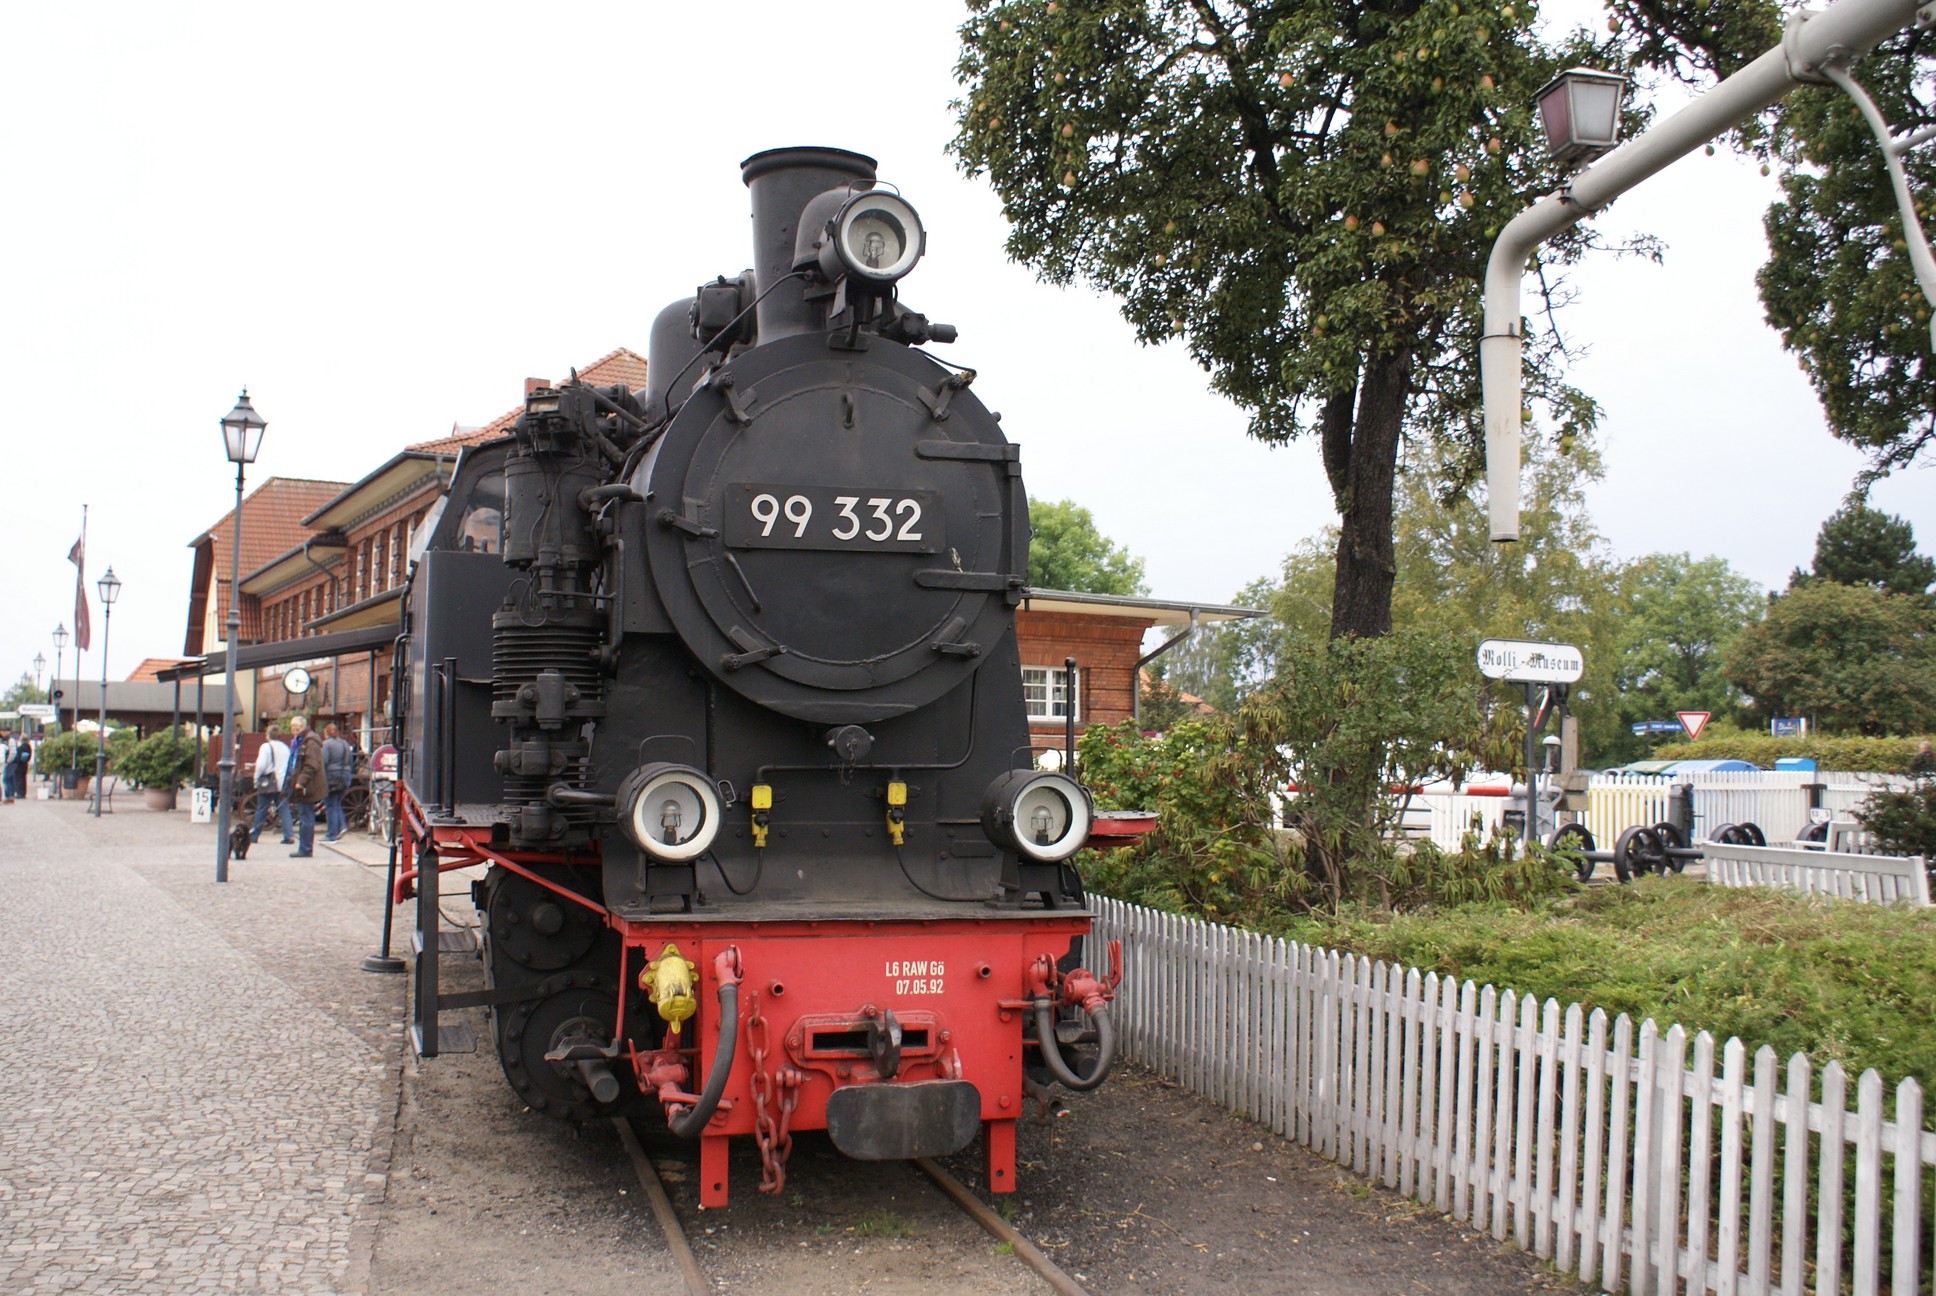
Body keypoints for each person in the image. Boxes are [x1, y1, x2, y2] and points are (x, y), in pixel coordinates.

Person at [284, 714, 327, 857]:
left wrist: (301, 782)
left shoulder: (310, 742)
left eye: (296, 727)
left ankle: (305, 849)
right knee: (304, 816)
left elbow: (311, 765)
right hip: (302, 785)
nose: (293, 730)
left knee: (306, 817)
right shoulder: (299, 741)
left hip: (308, 786)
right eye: (292, 727)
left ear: (302, 727)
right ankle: (304, 847)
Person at [250, 724, 293, 845]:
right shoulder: (285, 748)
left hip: (268, 782)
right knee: (284, 808)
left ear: (268, 735)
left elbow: (261, 765)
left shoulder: (266, 747)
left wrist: (256, 778)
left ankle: (254, 835)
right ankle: (288, 835)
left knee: (262, 808)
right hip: (282, 782)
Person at [321, 722, 355, 842]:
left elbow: (324, 762)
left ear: (326, 733)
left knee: (330, 805)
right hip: (345, 776)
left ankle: (331, 834)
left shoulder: (326, 744)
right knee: (336, 803)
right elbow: (350, 761)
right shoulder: (345, 744)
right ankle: (342, 826)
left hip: (332, 777)